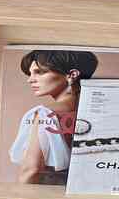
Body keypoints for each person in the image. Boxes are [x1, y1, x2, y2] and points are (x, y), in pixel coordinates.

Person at [9, 50, 98, 184]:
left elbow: (31, 169)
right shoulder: (92, 111)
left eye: (39, 72)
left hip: (46, 195)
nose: (30, 79)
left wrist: (19, 198)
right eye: (30, 73)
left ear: (72, 75)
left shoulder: (46, 114)